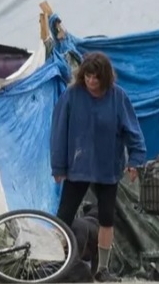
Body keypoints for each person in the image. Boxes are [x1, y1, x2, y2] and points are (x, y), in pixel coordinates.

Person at [50, 52, 147, 282]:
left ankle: (102, 268)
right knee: (63, 216)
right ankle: (54, 262)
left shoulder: (118, 97)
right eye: (87, 77)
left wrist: (135, 160)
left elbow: (133, 130)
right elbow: (58, 131)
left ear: (105, 78)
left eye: (96, 77)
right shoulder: (72, 95)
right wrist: (58, 166)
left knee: (106, 218)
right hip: (78, 165)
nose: (91, 82)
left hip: (107, 166)